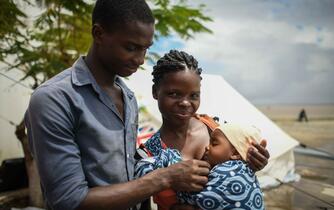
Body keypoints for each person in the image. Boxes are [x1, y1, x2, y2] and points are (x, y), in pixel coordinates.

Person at [24, 1, 211, 210]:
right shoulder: (54, 99)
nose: (140, 60)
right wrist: (164, 178)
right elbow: (69, 200)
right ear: (99, 33)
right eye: (131, 47)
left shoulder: (128, 97)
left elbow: (132, 181)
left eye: (145, 49)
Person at [137, 50, 270, 210]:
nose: (185, 103)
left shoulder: (218, 128)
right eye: (174, 94)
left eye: (193, 95)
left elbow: (241, 176)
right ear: (155, 92)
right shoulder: (148, 155)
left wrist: (254, 163)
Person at [135, 123, 265, 210]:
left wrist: (169, 161)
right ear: (156, 92)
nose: (207, 147)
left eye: (214, 143)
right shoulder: (151, 146)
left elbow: (195, 193)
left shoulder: (229, 171)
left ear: (236, 153)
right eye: (172, 94)